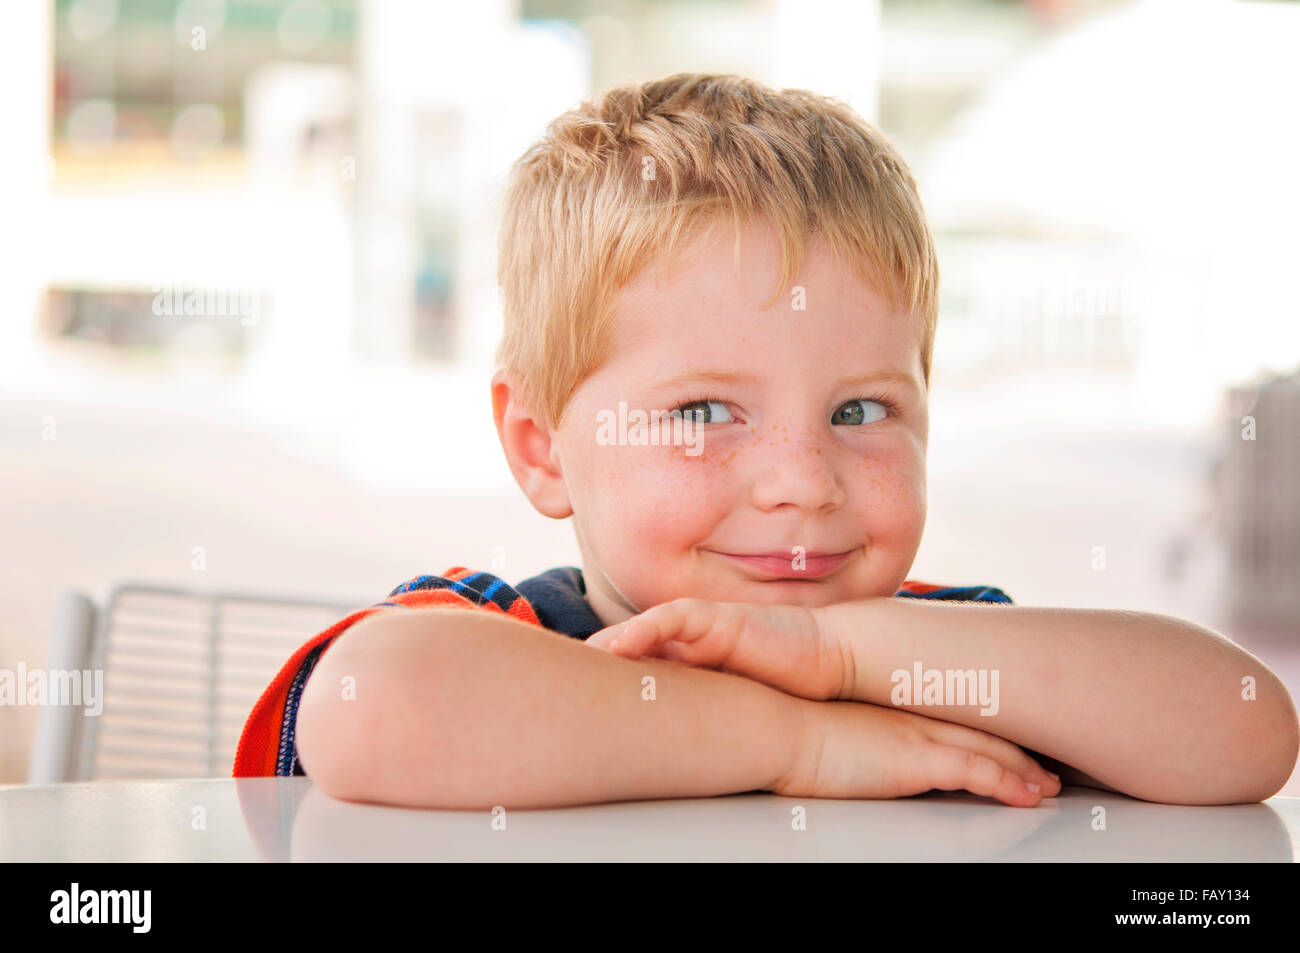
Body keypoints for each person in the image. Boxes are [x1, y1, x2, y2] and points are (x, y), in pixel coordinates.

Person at [234, 73, 1298, 809]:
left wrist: (839, 658)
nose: (802, 482)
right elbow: (380, 710)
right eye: (702, 413)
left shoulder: (933, 662)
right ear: (542, 446)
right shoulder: (509, 637)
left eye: (860, 411)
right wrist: (801, 741)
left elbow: (1243, 724)